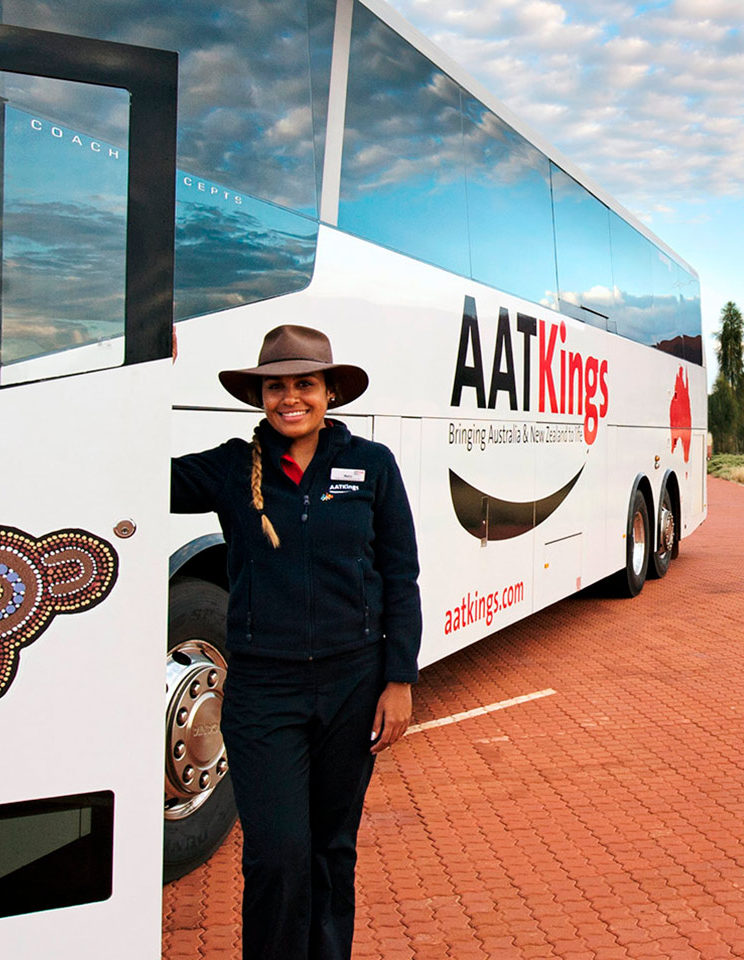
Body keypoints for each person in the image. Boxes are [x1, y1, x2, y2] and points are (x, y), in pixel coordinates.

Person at [170, 324, 420, 960]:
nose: (290, 398)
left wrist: (399, 679)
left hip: (354, 687)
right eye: (275, 386)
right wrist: (144, 380)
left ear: (328, 391)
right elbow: (139, 476)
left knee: (332, 849)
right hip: (263, 694)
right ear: (260, 396)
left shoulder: (372, 465)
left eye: (304, 384)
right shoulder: (231, 467)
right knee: (278, 854)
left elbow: (400, 574)